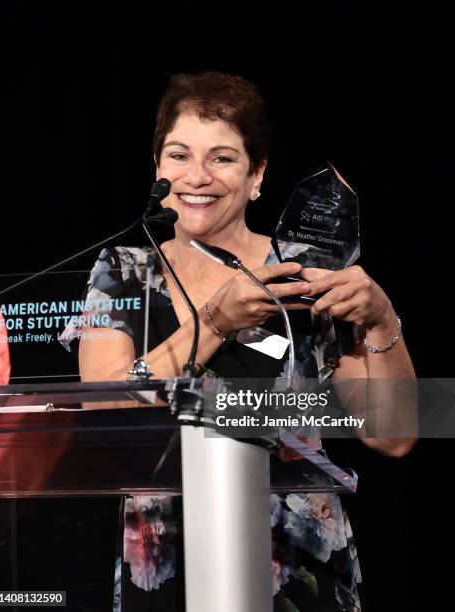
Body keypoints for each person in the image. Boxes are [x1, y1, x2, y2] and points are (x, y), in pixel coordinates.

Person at [63, 71, 416, 611]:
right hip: (165, 567)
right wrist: (214, 320)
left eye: (222, 158)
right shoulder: (122, 272)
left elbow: (393, 437)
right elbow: (102, 404)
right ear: (158, 166)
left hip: (296, 570)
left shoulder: (306, 272)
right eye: (178, 155)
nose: (196, 176)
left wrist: (383, 321)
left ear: (257, 175)